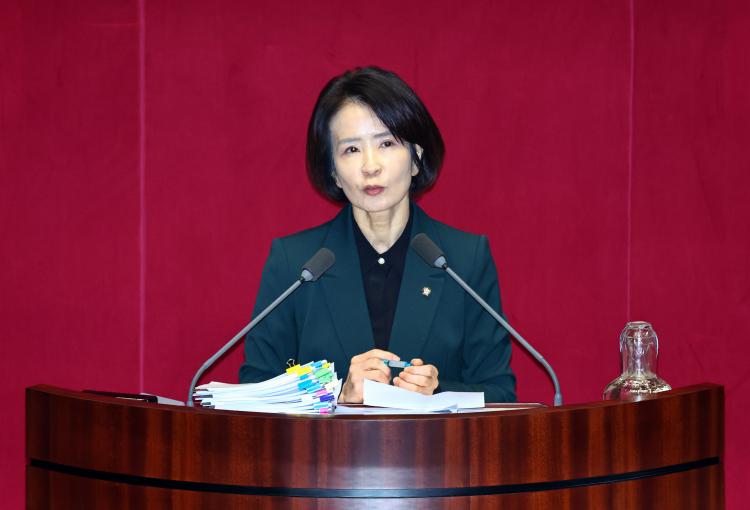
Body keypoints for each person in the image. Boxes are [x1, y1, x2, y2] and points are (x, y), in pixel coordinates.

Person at [239, 66, 516, 403]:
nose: (370, 166)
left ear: (416, 159)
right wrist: (336, 395)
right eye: (351, 150)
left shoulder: (464, 260)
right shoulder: (296, 264)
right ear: (334, 171)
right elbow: (256, 390)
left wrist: (437, 392)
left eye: (386, 143)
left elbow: (501, 393)